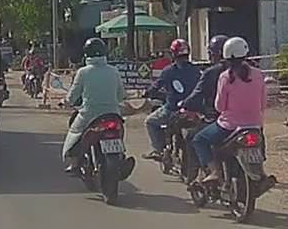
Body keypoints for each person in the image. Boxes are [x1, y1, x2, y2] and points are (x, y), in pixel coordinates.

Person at [191, 36, 265, 183]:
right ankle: (261, 172)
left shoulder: (225, 77)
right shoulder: (258, 74)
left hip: (229, 126)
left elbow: (219, 106)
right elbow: (263, 103)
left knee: (199, 140)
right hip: (255, 125)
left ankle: (214, 172)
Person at [61, 37, 136, 179]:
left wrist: (65, 102)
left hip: (89, 114)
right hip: (113, 114)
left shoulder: (83, 72)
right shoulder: (114, 71)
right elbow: (121, 95)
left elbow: (73, 95)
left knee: (74, 132)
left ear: (86, 54)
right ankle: (121, 158)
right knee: (119, 132)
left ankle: (75, 162)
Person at [142, 39, 201, 160]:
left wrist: (146, 93)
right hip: (195, 110)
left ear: (173, 54)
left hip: (172, 110)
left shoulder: (168, 71)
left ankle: (158, 150)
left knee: (150, 122)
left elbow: (156, 86)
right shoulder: (197, 70)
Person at [181, 35, 229, 120]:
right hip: (247, 117)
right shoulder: (246, 70)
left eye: (210, 52)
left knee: (193, 129)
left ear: (218, 53)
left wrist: (184, 103)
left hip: (217, 116)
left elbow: (198, 93)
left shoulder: (211, 72)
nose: (209, 56)